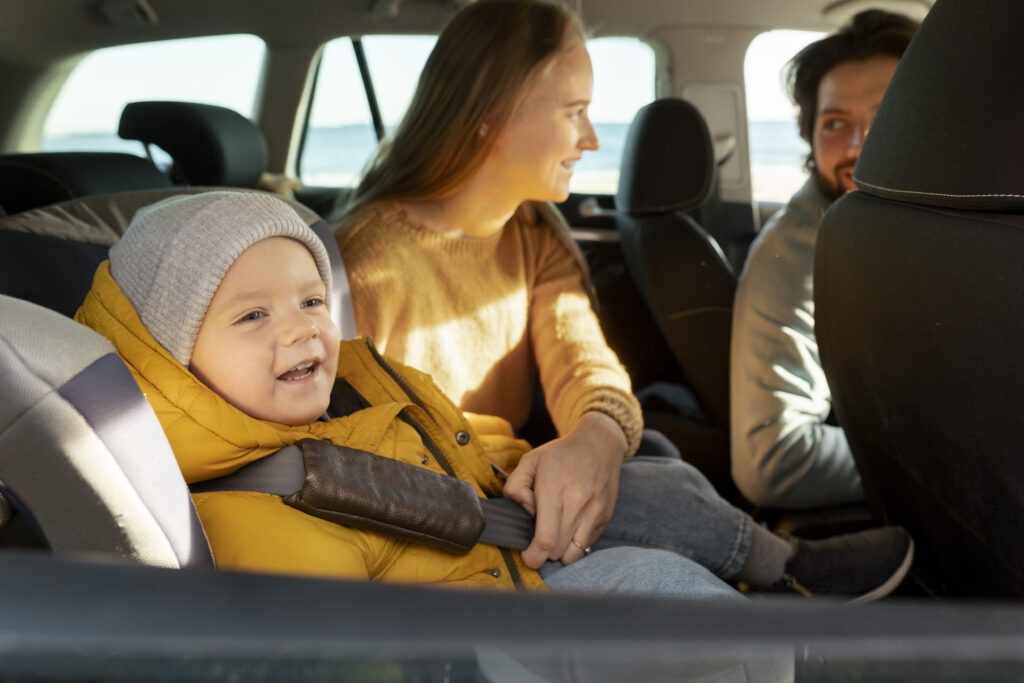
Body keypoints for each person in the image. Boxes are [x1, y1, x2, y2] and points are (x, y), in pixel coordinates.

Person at [77, 190, 911, 602]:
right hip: (493, 617)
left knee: (658, 474)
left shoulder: (360, 378)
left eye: (309, 301)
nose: (300, 332)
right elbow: (338, 644)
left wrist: (549, 453)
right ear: (172, 352)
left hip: (496, 525)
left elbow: (451, 435)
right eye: (252, 315)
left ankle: (782, 574)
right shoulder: (251, 505)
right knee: (660, 584)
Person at [730, 10, 919, 509]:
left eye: (886, 117)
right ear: (810, 138)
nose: (860, 146)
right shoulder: (795, 255)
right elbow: (773, 460)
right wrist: (945, 460)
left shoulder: (915, 231)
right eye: (836, 123)